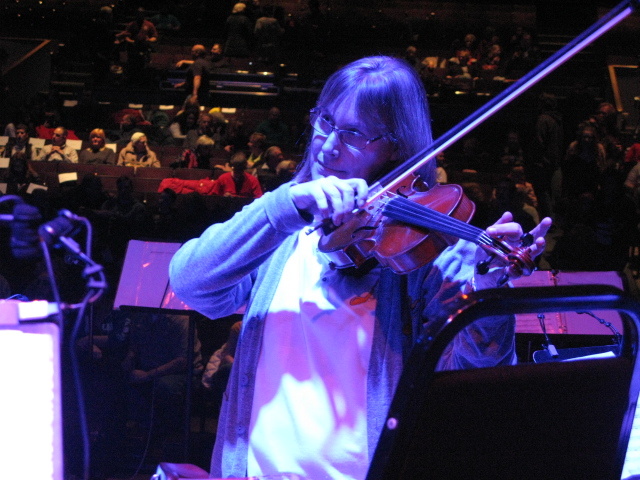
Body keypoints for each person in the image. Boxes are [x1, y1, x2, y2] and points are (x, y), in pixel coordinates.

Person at [169, 55, 551, 480]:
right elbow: (192, 285)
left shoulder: (425, 248)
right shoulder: (284, 223)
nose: (328, 146)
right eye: (325, 122)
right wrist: (286, 207)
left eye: (354, 134)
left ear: (397, 147)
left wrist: (487, 293)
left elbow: (477, 376)